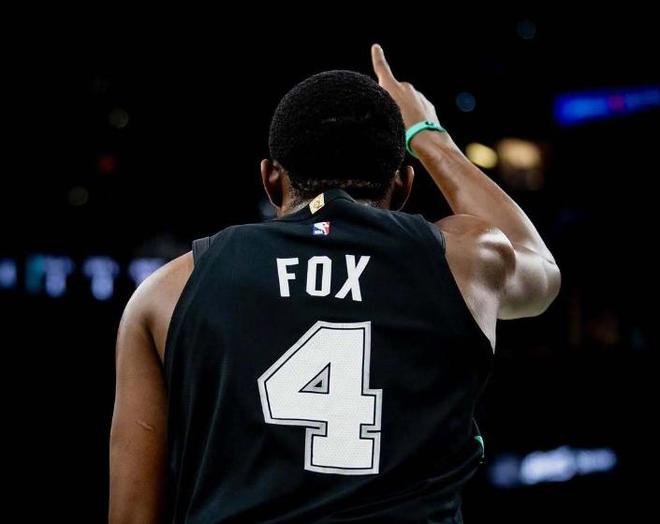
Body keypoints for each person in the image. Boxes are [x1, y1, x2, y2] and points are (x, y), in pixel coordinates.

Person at [109, 44, 560, 523]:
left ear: (270, 180)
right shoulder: (464, 261)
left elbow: (132, 515)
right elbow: (541, 268)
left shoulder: (167, 292)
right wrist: (429, 135)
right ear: (404, 185)